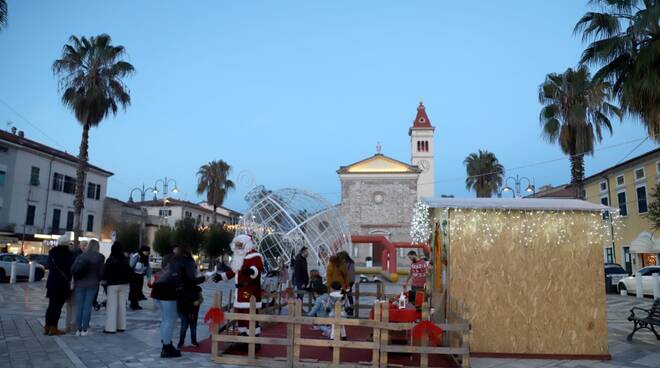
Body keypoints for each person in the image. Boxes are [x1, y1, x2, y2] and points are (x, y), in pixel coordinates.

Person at [212, 235, 264, 337]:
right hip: (240, 291)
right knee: (241, 314)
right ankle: (243, 335)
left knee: (250, 314)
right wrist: (221, 277)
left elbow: (257, 268)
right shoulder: (240, 257)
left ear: (246, 244)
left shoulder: (254, 256)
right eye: (237, 245)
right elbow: (233, 271)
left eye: (240, 245)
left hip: (250, 290)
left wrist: (251, 271)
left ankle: (253, 338)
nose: (238, 247)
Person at [71, 239, 105, 336]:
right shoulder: (100, 257)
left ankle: (78, 329)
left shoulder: (81, 256)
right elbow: (101, 272)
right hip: (93, 284)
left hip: (80, 284)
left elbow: (73, 269)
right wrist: (98, 279)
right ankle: (85, 330)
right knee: (87, 306)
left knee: (79, 306)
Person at [44, 236, 75, 335]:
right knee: (57, 306)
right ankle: (54, 328)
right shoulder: (68, 255)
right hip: (62, 284)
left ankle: (47, 326)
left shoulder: (52, 253)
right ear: (67, 244)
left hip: (52, 283)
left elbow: (49, 266)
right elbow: (70, 269)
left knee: (51, 305)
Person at [176, 246, 205, 349]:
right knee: (186, 324)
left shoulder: (185, 261)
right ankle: (183, 342)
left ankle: (189, 341)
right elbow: (191, 279)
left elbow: (201, 297)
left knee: (190, 325)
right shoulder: (186, 262)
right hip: (186, 302)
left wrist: (198, 301)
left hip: (189, 303)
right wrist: (202, 278)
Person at [102, 241, 132, 334]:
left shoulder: (110, 260)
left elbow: (105, 272)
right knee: (122, 306)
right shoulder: (125, 259)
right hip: (124, 284)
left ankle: (110, 328)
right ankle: (121, 326)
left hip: (112, 284)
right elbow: (129, 271)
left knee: (112, 306)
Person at [129, 246, 152, 310]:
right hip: (134, 276)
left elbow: (148, 268)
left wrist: (149, 278)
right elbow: (131, 266)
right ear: (142, 251)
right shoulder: (136, 256)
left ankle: (136, 304)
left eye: (148, 251)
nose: (147, 253)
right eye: (146, 251)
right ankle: (133, 304)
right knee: (134, 290)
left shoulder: (146, 258)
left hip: (140, 276)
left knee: (138, 290)